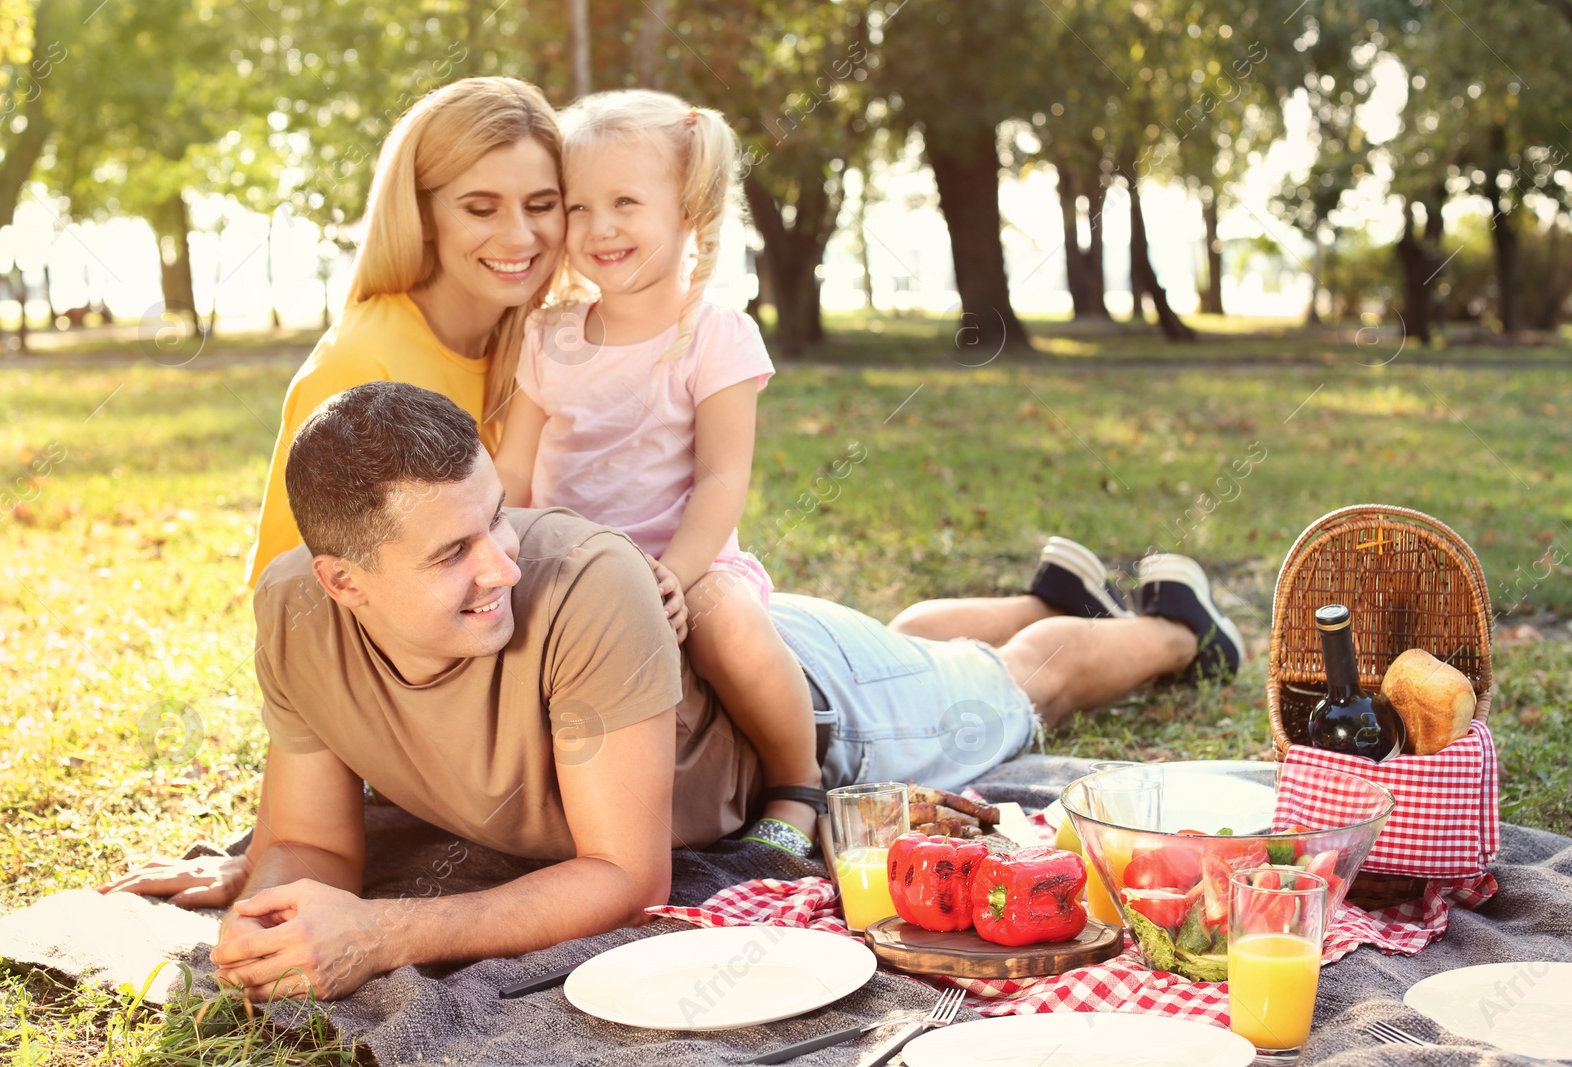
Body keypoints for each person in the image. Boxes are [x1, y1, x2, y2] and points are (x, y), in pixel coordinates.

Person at [106, 382, 1243, 1001]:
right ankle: (1045, 590)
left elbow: (626, 871)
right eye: (453, 551)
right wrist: (283, 915)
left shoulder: (582, 584)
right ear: (345, 582)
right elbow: (311, 841)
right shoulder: (295, 612)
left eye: (495, 516)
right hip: (730, 658)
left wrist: (381, 935)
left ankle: (1167, 626)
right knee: (912, 635)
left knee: (1016, 685)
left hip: (817, 711)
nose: (499, 560)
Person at [493, 90, 822, 855]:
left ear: (690, 212)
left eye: (626, 203)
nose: (599, 227)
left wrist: (674, 573)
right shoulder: (548, 336)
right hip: (572, 567)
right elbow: (514, 469)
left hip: (684, 565)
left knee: (727, 621)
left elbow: (721, 479)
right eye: (578, 207)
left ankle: (797, 783)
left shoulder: (715, 336)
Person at [244, 76, 569, 588]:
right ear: (421, 215)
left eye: (541, 205)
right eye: (481, 209)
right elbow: (288, 590)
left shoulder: (554, 347)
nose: (519, 235)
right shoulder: (360, 364)